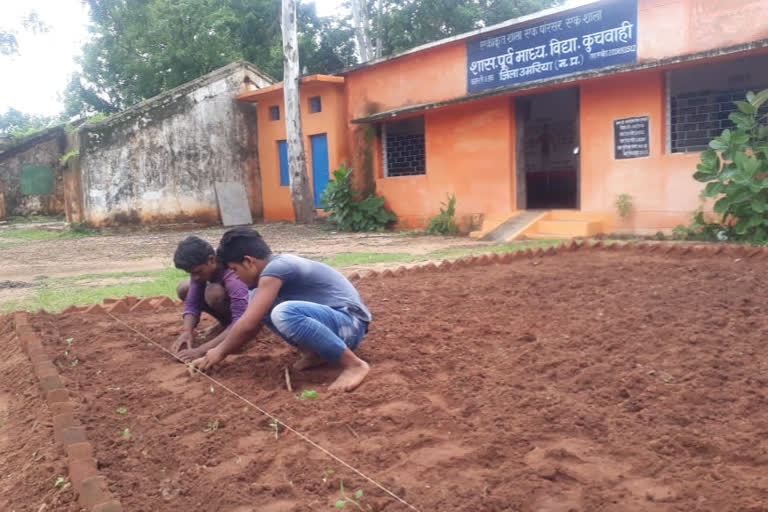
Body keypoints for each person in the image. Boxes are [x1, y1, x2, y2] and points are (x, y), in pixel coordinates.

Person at [190, 227, 371, 392]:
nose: (236, 276)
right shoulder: (268, 277)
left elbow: (247, 323)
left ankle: (353, 365)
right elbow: (251, 326)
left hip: (350, 323)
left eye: (234, 269)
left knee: (284, 313)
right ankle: (316, 354)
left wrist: (219, 351)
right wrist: (214, 353)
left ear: (248, 261)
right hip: (336, 324)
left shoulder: (277, 268)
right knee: (260, 304)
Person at [172, 235, 249, 361]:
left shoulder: (233, 277)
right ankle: (224, 324)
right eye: (191, 273)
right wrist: (187, 331)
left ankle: (227, 328)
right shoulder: (201, 266)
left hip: (251, 313)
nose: (195, 277)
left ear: (211, 260)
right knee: (184, 288)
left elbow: (240, 320)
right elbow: (192, 303)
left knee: (214, 293)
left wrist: (202, 350)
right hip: (235, 308)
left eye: (198, 272)